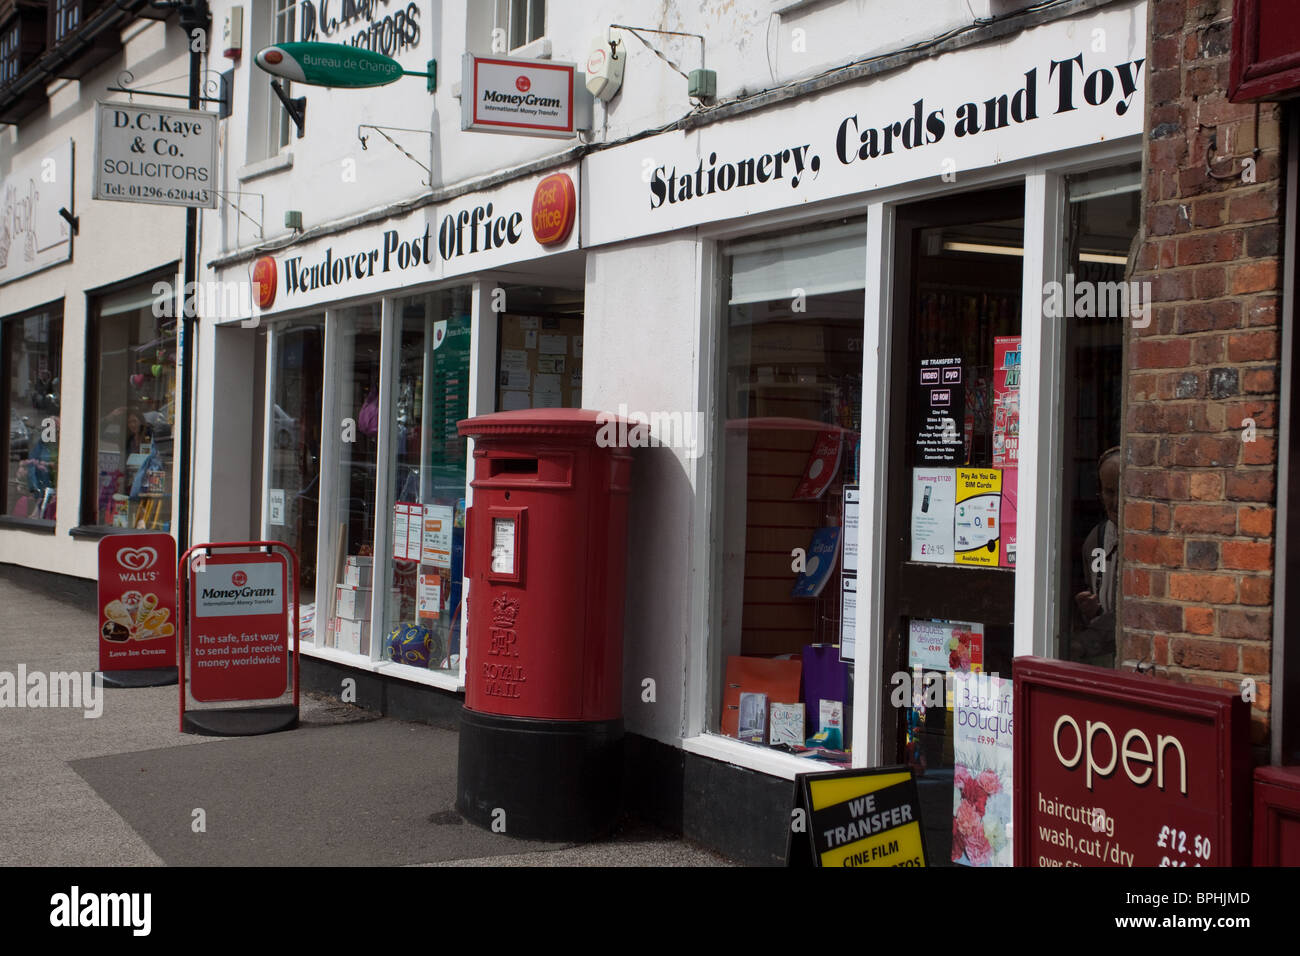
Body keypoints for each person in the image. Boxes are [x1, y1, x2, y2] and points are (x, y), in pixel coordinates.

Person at [1073, 446, 1120, 667]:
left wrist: (1086, 641)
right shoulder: (1096, 540)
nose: (1116, 501)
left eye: (1122, 490)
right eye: (1109, 492)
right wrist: (1089, 610)